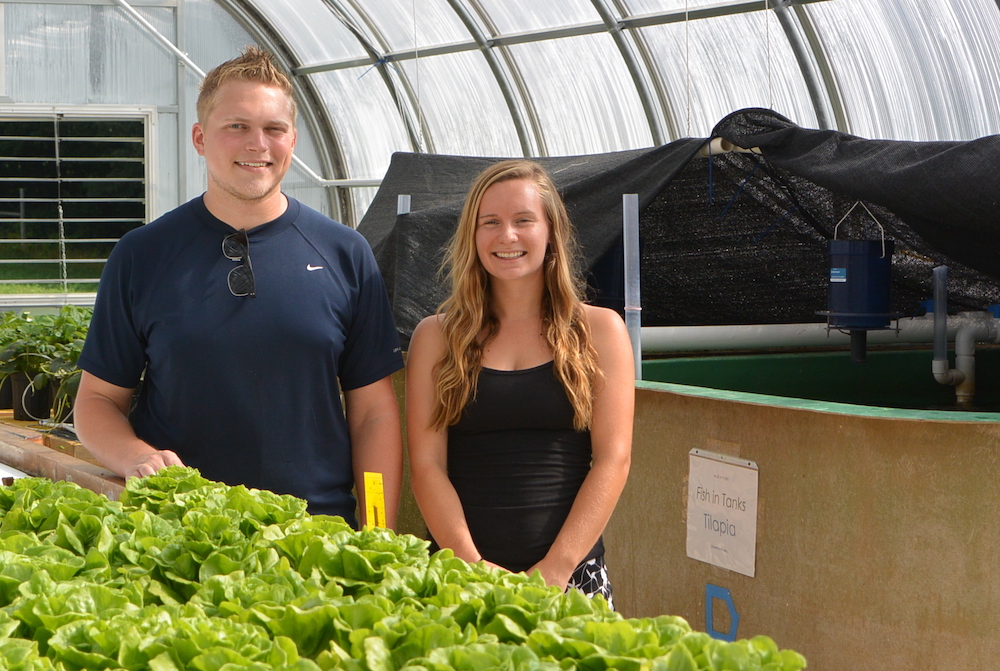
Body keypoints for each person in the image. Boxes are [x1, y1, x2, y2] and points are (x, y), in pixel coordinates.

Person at [74, 47, 404, 529]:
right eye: (237, 127)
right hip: (175, 534)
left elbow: (373, 413)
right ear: (200, 138)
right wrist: (134, 458)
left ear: (292, 139)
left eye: (274, 129)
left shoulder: (345, 253)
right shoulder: (142, 254)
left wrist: (378, 531)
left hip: (314, 538)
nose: (258, 144)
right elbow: (97, 401)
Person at [405, 160, 633, 606]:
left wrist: (556, 569)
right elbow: (426, 466)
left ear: (551, 232)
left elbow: (614, 460)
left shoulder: (601, 331)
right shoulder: (435, 336)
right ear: (472, 236)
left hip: (573, 580)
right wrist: (469, 566)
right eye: (490, 222)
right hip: (458, 578)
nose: (506, 236)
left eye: (523, 220)